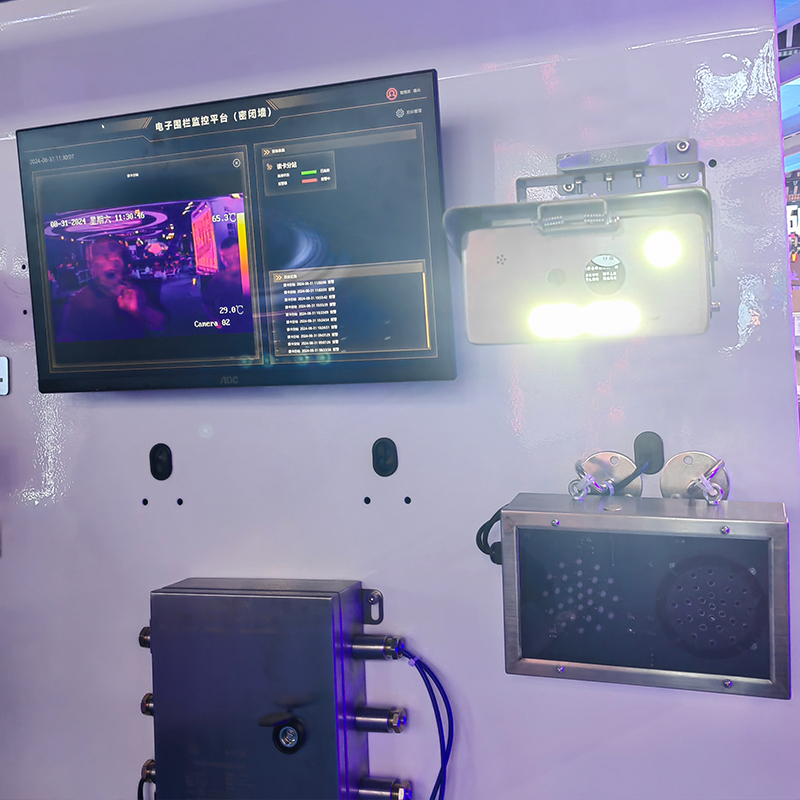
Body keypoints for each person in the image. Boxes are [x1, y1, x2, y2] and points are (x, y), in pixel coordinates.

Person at [57, 236, 165, 342]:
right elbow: (67, 340)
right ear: (91, 266)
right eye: (104, 256)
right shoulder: (80, 300)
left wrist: (142, 309)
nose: (112, 261)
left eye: (117, 255)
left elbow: (161, 324)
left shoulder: (137, 288)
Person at [202, 237, 249, 328]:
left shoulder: (255, 271)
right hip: (232, 327)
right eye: (224, 256)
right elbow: (206, 302)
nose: (227, 259)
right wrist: (217, 323)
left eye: (234, 253)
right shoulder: (220, 278)